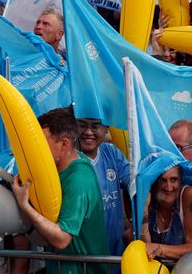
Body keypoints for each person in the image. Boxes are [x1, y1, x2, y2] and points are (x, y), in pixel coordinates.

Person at [11, 107, 109, 273]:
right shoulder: (65, 163)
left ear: (64, 144)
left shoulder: (78, 180)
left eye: (41, 144)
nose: (37, 150)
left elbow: (62, 239)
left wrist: (24, 205)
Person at [76, 117, 130, 256]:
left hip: (114, 254)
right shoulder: (68, 158)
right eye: (82, 125)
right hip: (83, 258)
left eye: (95, 126)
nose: (88, 132)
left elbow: (132, 183)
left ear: (106, 129)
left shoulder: (112, 153)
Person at [141, 164, 192, 260]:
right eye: (163, 180)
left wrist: (158, 249)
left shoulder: (189, 196)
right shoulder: (148, 196)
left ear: (180, 181)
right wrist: (144, 213)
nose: (168, 187)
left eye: (173, 180)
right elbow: (140, 243)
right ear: (155, 181)